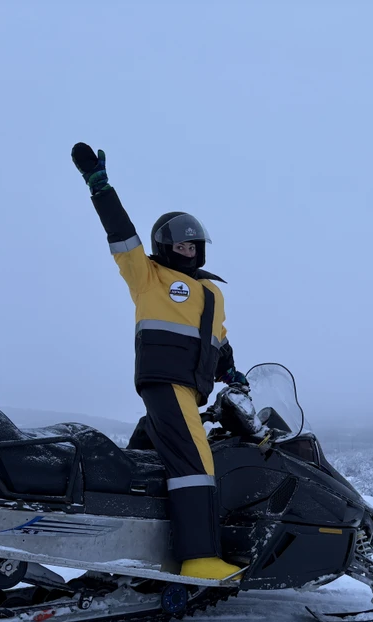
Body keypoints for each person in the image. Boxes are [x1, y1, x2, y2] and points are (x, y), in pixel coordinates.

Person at [71, 142, 246, 581]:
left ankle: (129, 537)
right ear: (166, 247)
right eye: (182, 246)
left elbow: (216, 341)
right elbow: (121, 234)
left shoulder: (212, 292)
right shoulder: (147, 275)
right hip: (165, 379)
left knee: (158, 454)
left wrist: (229, 372)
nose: (189, 251)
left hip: (192, 386)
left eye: (194, 246)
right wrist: (100, 187)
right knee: (196, 461)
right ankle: (200, 558)